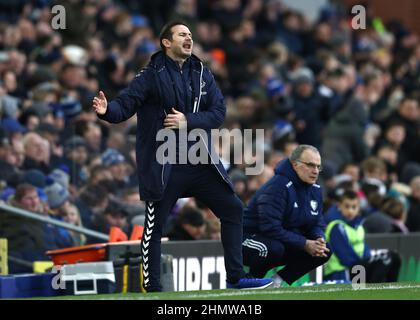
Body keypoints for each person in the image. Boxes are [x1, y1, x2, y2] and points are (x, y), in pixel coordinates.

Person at [92, 21, 272, 292]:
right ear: (166, 42)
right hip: (165, 163)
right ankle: (152, 288)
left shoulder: (201, 72)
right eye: (182, 35)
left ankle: (235, 278)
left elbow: (219, 112)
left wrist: (187, 120)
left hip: (199, 159)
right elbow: (126, 104)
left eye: (190, 34)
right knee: (154, 227)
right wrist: (107, 111)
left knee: (233, 208)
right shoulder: (150, 74)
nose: (189, 38)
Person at [242, 145, 331, 286]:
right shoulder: (278, 187)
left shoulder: (315, 190)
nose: (315, 171)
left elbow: (316, 223)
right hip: (247, 238)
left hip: (277, 240)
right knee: (273, 249)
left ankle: (277, 282)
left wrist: (318, 238)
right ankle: (250, 280)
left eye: (318, 167)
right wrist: (304, 243)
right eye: (310, 165)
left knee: (324, 250)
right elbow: (270, 228)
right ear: (295, 165)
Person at [324, 190, 401, 283]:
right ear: (339, 206)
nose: (350, 211)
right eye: (347, 206)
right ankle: (373, 294)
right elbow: (346, 257)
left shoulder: (359, 226)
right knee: (383, 259)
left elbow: (364, 249)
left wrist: (368, 260)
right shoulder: (336, 226)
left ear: (359, 208)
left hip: (357, 267)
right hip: (341, 272)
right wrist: (368, 263)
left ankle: (390, 291)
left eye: (354, 207)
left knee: (394, 257)